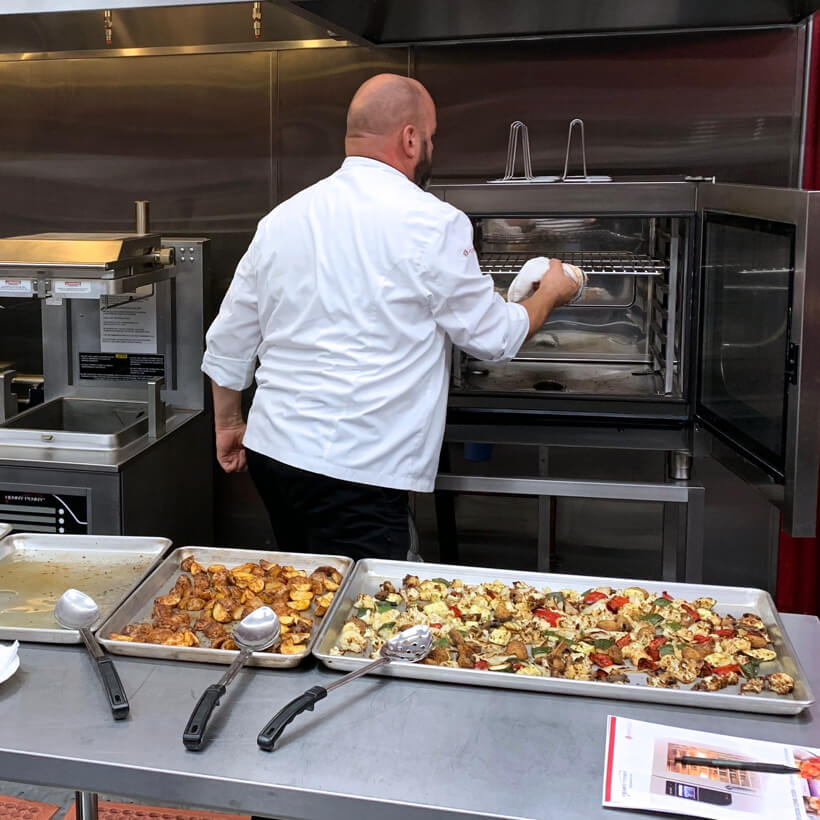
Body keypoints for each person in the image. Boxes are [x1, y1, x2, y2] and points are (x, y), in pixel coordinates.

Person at [201, 73, 579, 561]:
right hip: (358, 469)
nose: (431, 147)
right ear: (410, 137)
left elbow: (229, 340)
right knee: (369, 621)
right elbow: (493, 338)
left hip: (275, 455)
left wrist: (228, 424)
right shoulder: (432, 221)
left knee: (311, 596)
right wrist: (550, 292)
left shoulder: (283, 218)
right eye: (432, 136)